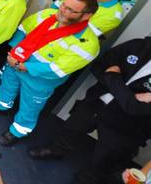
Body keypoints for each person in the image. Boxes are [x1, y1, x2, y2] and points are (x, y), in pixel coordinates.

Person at [0, 0, 100, 149]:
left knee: (30, 107)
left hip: (40, 80)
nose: (62, 10)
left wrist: (26, 67)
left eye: (70, 10)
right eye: (63, 5)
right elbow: (24, 29)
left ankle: (18, 131)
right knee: (7, 86)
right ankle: (0, 105)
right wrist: (13, 52)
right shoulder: (47, 15)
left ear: (87, 15)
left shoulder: (88, 44)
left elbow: (59, 68)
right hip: (16, 62)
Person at [27, 35, 151, 184]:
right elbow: (100, 65)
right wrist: (127, 95)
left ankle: (87, 178)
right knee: (73, 127)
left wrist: (112, 76)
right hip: (97, 101)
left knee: (105, 159)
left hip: (127, 123)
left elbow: (134, 107)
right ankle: (57, 149)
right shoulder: (139, 45)